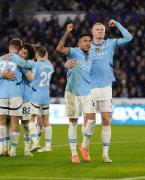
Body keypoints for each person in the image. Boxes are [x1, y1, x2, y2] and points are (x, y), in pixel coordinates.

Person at [65, 19, 133, 163]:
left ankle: (105, 154)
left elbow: (129, 38)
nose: (100, 31)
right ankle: (85, 146)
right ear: (92, 32)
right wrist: (67, 63)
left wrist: (118, 24)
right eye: (97, 29)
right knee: (89, 121)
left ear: (105, 32)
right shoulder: (86, 46)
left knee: (106, 120)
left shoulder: (110, 44)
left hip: (106, 86)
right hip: (89, 87)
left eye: (102, 29)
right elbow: (72, 56)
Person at [56, 24, 93, 163]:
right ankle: (74, 154)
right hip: (72, 91)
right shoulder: (74, 51)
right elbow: (59, 49)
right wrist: (67, 32)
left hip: (87, 91)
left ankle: (84, 146)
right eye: (85, 41)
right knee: (73, 122)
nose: (88, 43)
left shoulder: (92, 56)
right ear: (79, 43)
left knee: (92, 121)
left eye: (89, 41)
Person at [0, 39, 34, 157]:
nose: (21, 52)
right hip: (12, 94)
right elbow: (30, 75)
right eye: (21, 50)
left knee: (7, 121)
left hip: (13, 95)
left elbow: (31, 78)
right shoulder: (16, 61)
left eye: (24, 52)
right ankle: (8, 149)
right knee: (10, 121)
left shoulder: (4, 60)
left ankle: (9, 149)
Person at [29, 45, 54, 153]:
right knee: (46, 122)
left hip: (36, 95)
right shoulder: (49, 66)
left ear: (37, 54)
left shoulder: (36, 65)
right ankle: (48, 146)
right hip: (46, 96)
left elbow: (31, 77)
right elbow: (46, 58)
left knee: (31, 119)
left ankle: (35, 142)